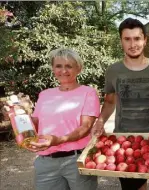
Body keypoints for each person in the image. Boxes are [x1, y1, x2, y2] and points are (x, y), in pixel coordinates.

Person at [91, 18, 149, 190]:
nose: (133, 44)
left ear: (145, 40)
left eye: (137, 38)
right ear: (121, 41)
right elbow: (109, 101)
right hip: (124, 143)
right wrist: (100, 120)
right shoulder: (113, 70)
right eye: (127, 39)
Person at [26, 48, 100, 190]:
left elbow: (85, 128)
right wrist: (17, 117)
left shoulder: (88, 93)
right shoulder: (45, 94)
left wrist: (58, 140)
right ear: (53, 68)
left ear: (79, 69)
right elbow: (34, 123)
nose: (63, 71)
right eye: (58, 66)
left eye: (69, 66)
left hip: (76, 159)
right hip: (46, 162)